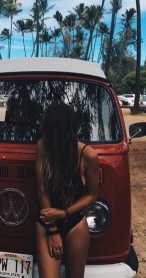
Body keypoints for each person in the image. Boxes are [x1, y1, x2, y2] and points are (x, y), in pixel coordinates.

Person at [35, 104, 99, 278]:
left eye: (45, 126)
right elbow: (42, 190)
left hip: (75, 223)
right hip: (47, 222)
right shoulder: (42, 147)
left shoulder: (88, 155)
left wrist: (64, 213)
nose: (42, 129)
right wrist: (52, 230)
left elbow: (92, 196)